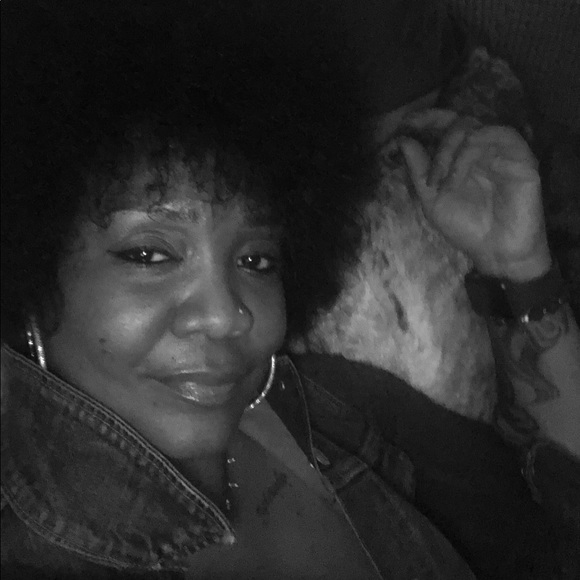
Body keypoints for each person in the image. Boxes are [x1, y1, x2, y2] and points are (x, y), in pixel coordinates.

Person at [1, 3, 579, 579]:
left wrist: (521, 268)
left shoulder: (329, 400)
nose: (227, 316)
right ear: (33, 265)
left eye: (256, 259)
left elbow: (543, 522)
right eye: (149, 254)